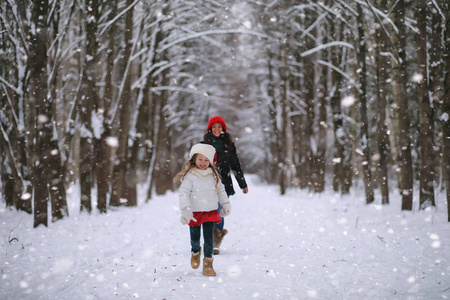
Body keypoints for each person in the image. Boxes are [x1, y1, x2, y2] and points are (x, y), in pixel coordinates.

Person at [174, 143, 231, 276]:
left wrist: (225, 204)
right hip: (194, 212)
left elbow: (221, 190)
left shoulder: (213, 175)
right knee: (195, 238)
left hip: (210, 211)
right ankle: (195, 252)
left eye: (206, 160)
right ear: (194, 159)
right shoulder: (190, 175)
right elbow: (183, 193)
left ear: (210, 161)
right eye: (200, 159)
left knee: (209, 239)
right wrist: (186, 209)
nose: (203, 162)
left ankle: (208, 263)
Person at [203, 116, 248, 254]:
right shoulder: (203, 145)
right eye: (214, 127)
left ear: (223, 129)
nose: (217, 129)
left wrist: (242, 184)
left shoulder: (228, 145)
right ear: (210, 129)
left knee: (219, 210)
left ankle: (215, 242)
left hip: (224, 183)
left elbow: (235, 164)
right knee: (208, 212)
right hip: (206, 183)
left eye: (219, 127)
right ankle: (208, 239)